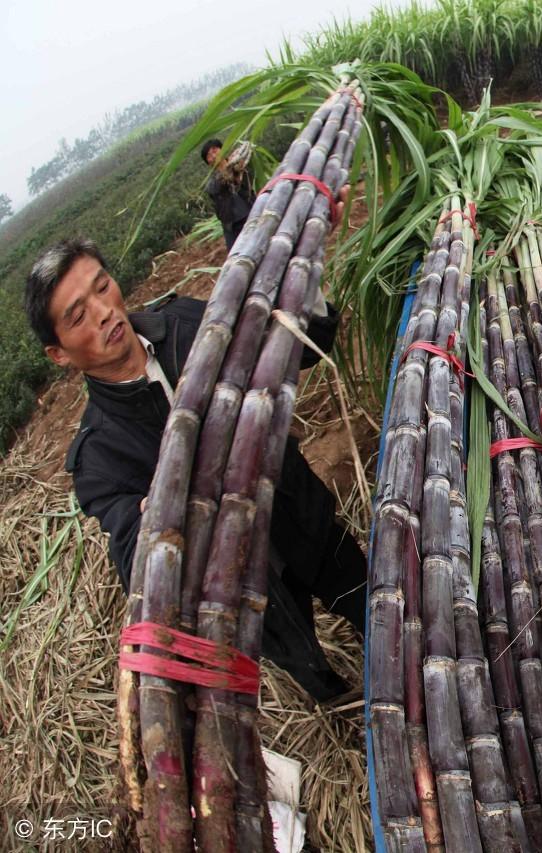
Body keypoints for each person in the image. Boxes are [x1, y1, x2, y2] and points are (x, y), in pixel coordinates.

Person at [25, 235, 366, 702]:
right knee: (303, 662)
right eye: (78, 316)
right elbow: (133, 560)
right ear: (58, 353)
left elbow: (297, 347)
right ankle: (336, 699)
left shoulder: (187, 323)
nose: (104, 312)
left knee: (364, 597)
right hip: (242, 584)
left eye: (102, 288)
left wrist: (303, 279)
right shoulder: (99, 457)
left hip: (299, 514)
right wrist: (157, 515)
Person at [201, 138, 255, 250]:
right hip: (233, 227)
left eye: (215, 151)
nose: (213, 156)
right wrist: (226, 171)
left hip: (252, 214)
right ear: (208, 163)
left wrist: (236, 170)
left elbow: (249, 183)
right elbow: (216, 188)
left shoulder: (241, 167)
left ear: (223, 150)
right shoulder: (212, 184)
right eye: (209, 156)